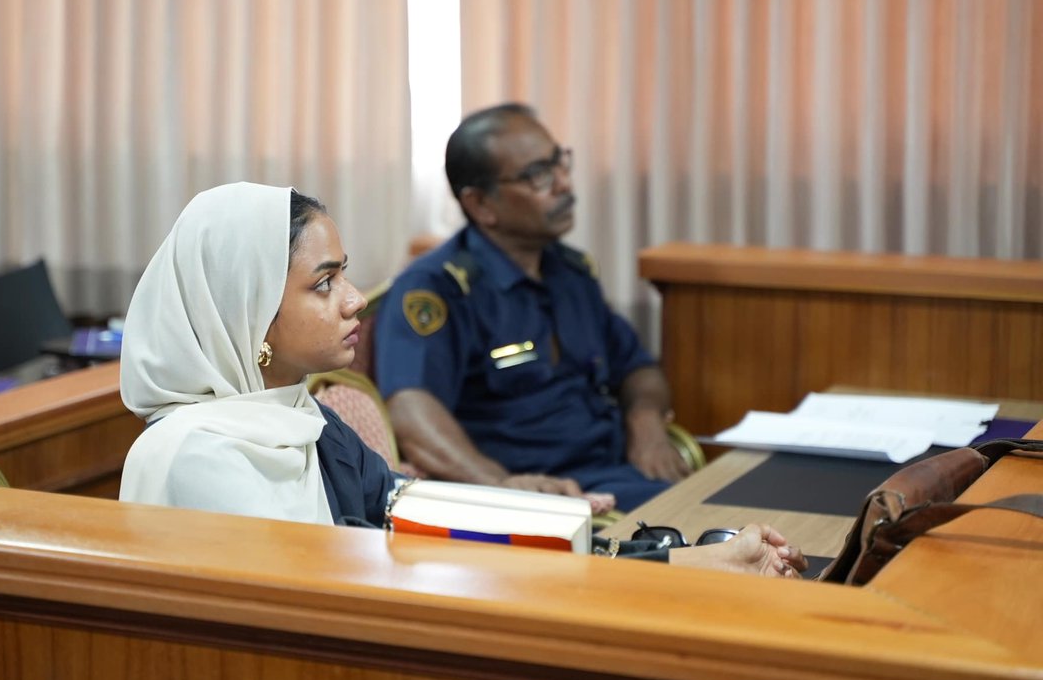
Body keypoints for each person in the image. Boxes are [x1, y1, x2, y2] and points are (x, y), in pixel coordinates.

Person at [117, 180, 806, 577]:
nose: (356, 300)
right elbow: (342, 592)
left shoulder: (304, 419)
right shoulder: (197, 455)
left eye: (345, 274)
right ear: (246, 311)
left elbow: (410, 515)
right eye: (324, 284)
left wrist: (670, 561)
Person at [374, 103, 686, 513]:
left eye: (560, 163)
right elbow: (412, 411)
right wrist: (500, 486)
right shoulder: (438, 289)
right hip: (554, 494)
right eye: (539, 175)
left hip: (620, 469)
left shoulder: (570, 271)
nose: (563, 184)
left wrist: (645, 421)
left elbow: (637, 367)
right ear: (481, 204)